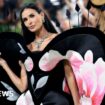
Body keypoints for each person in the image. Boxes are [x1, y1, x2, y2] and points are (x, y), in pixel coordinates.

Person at [0, 3, 80, 105]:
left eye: (31, 16)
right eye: (25, 20)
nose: (29, 22)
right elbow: (22, 87)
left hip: (56, 100)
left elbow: (69, 75)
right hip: (29, 101)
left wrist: (77, 103)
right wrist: (4, 65)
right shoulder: (25, 48)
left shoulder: (58, 39)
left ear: (42, 15)